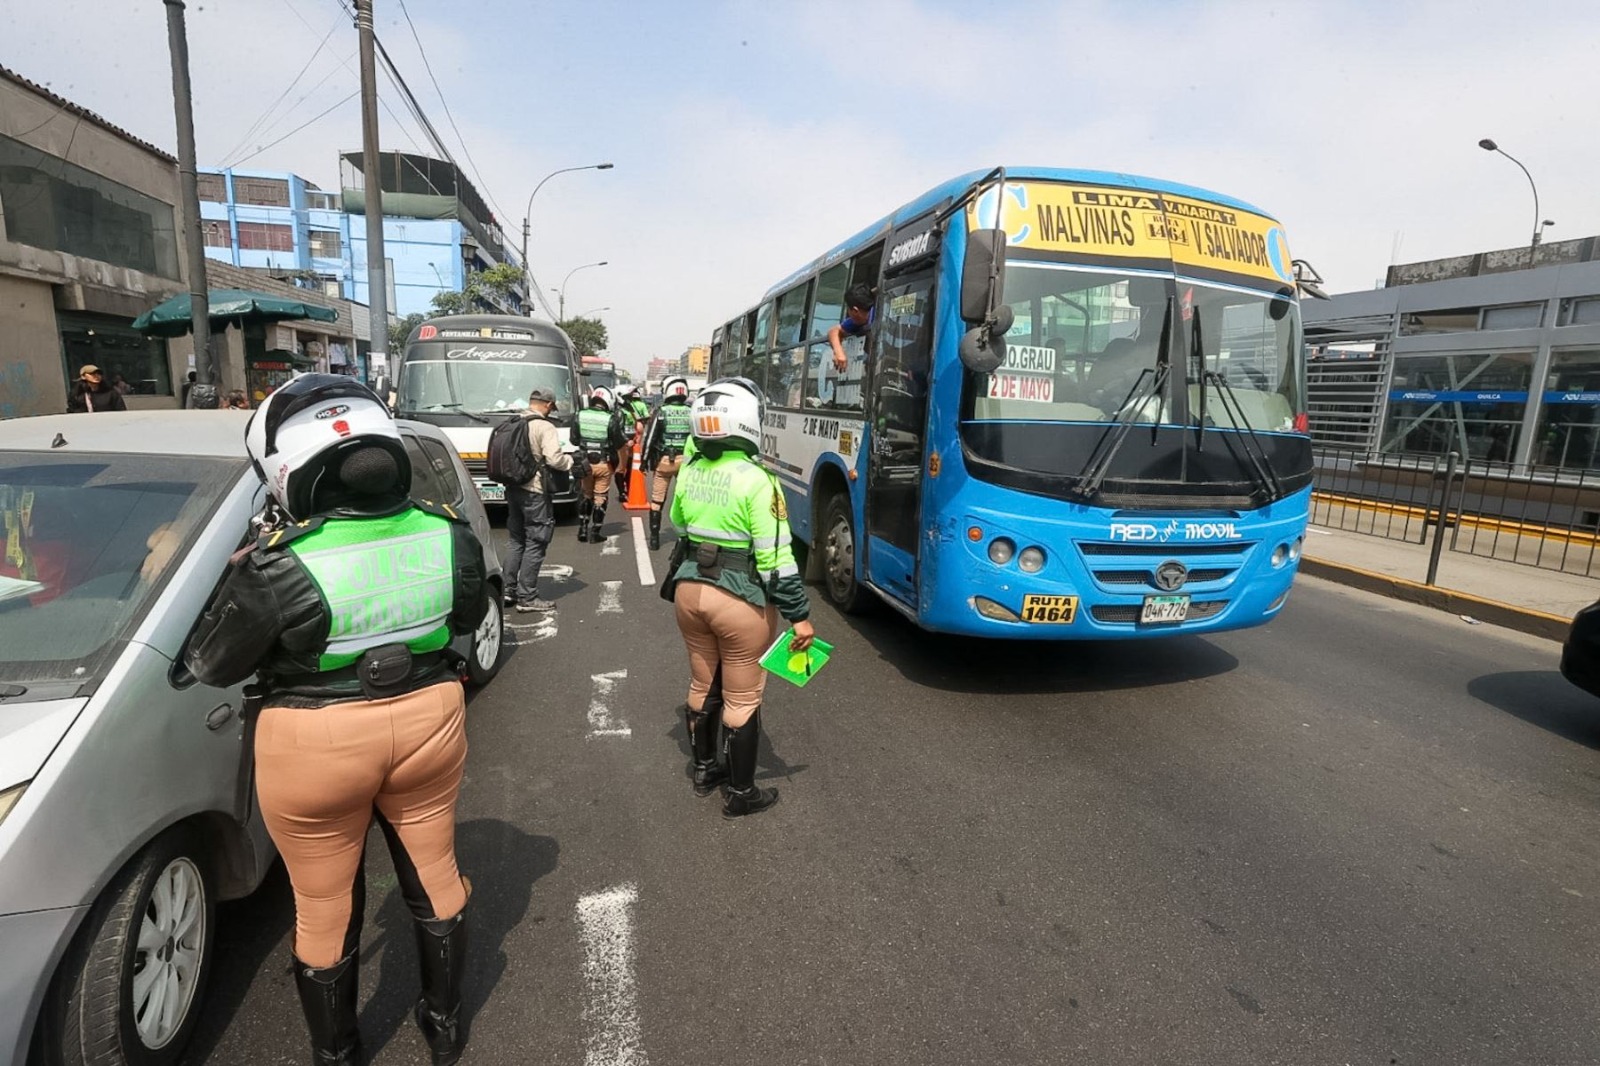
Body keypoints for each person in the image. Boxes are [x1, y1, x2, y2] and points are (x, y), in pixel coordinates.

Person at [184, 373, 487, 1066]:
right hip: (428, 720)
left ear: (292, 472)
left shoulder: (278, 562)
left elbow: (212, 663)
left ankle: (340, 1053)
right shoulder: (448, 533)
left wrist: (238, 575)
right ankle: (444, 1025)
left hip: (312, 738)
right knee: (436, 874)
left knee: (322, 905)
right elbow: (466, 617)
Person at [663, 377, 815, 818]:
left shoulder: (690, 472)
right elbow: (777, 560)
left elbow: (680, 527)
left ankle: (705, 769)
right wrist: (799, 616)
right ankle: (742, 792)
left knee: (701, 683)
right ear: (749, 422)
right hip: (739, 599)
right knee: (742, 698)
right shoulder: (759, 480)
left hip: (689, 594)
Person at [504, 386, 575, 613]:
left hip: (513, 488)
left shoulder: (513, 421)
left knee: (517, 541)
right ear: (548, 405)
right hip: (534, 491)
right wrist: (570, 462)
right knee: (536, 541)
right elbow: (554, 459)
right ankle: (527, 597)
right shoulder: (544, 426)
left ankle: (508, 590)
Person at [641, 375, 694, 550]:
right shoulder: (692, 412)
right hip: (685, 462)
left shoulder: (661, 412)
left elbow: (649, 439)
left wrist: (644, 462)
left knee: (657, 500)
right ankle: (686, 538)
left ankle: (655, 540)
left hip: (664, 461)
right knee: (686, 500)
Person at [572, 386, 628, 543]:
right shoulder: (611, 419)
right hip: (603, 463)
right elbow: (620, 443)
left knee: (586, 494)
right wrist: (621, 466)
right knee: (600, 497)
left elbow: (574, 440)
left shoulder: (579, 415)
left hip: (584, 464)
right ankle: (595, 532)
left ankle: (582, 529)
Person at [827, 282, 875, 373]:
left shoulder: (881, 316)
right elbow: (833, 331)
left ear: (855, 311)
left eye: (848, 309)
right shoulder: (857, 321)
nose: (848, 314)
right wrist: (838, 352)